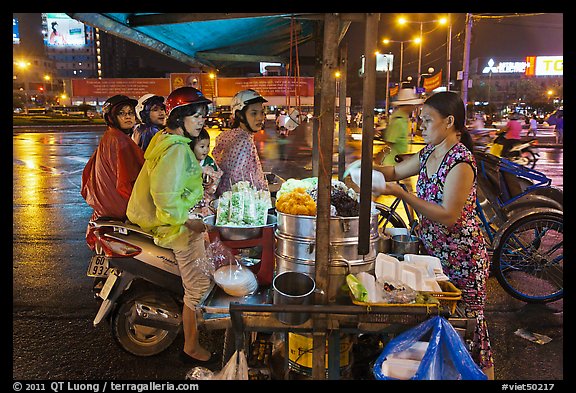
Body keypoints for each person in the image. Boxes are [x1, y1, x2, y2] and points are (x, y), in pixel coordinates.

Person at [370, 91, 495, 379]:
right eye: (419, 119)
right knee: (440, 325)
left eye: (427, 120)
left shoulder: (460, 162)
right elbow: (395, 170)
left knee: (470, 331)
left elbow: (448, 215)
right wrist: (364, 169)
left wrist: (404, 194)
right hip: (433, 253)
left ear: (449, 122)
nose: (420, 126)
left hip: (463, 257)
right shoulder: (429, 152)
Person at [126, 86, 220, 368]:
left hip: (174, 221)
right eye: (196, 115)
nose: (202, 121)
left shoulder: (166, 140)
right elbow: (165, 197)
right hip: (175, 229)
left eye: (203, 115)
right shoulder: (176, 151)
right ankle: (190, 346)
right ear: (179, 117)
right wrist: (188, 220)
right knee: (199, 286)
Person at [81, 95, 144, 222]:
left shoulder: (111, 136)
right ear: (111, 118)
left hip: (106, 206)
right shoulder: (119, 140)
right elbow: (128, 179)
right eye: (121, 113)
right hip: (120, 207)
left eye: (130, 113)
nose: (128, 117)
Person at [212, 89, 269, 197]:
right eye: (254, 113)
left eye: (262, 112)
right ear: (240, 115)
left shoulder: (229, 135)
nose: (260, 118)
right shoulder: (243, 141)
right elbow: (237, 182)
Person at [380, 88, 423, 166]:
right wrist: (379, 159)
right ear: (407, 105)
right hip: (392, 164)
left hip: (399, 162)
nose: (414, 107)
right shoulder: (398, 121)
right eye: (412, 105)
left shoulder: (404, 120)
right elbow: (389, 143)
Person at [190, 128, 222, 217]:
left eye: (208, 146)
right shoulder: (188, 162)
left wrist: (212, 184)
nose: (206, 150)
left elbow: (217, 177)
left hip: (207, 197)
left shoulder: (210, 161)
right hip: (192, 198)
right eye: (202, 147)